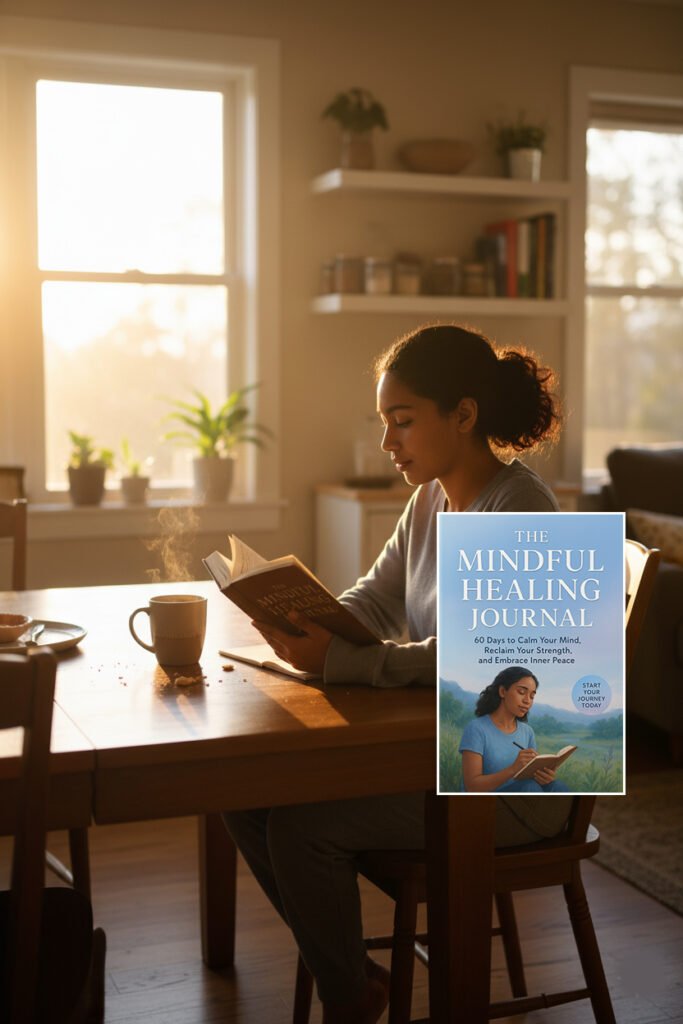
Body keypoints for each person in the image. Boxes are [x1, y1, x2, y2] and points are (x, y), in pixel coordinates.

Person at [223, 323, 573, 1024]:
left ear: (464, 415)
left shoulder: (521, 510)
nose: (389, 443)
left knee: (300, 830)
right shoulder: (429, 499)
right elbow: (377, 596)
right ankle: (353, 976)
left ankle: (349, 996)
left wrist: (344, 660)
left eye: (403, 422)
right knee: (245, 793)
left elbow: (483, 666)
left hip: (516, 786)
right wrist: (316, 620)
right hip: (446, 754)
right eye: (385, 423)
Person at [460, 666, 570, 793]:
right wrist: (513, 769)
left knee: (558, 786)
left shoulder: (527, 732)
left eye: (532, 696)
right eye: (521, 692)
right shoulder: (476, 729)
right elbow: (472, 786)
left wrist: (543, 776)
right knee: (530, 787)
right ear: (502, 691)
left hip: (523, 790)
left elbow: (530, 775)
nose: (527, 701)